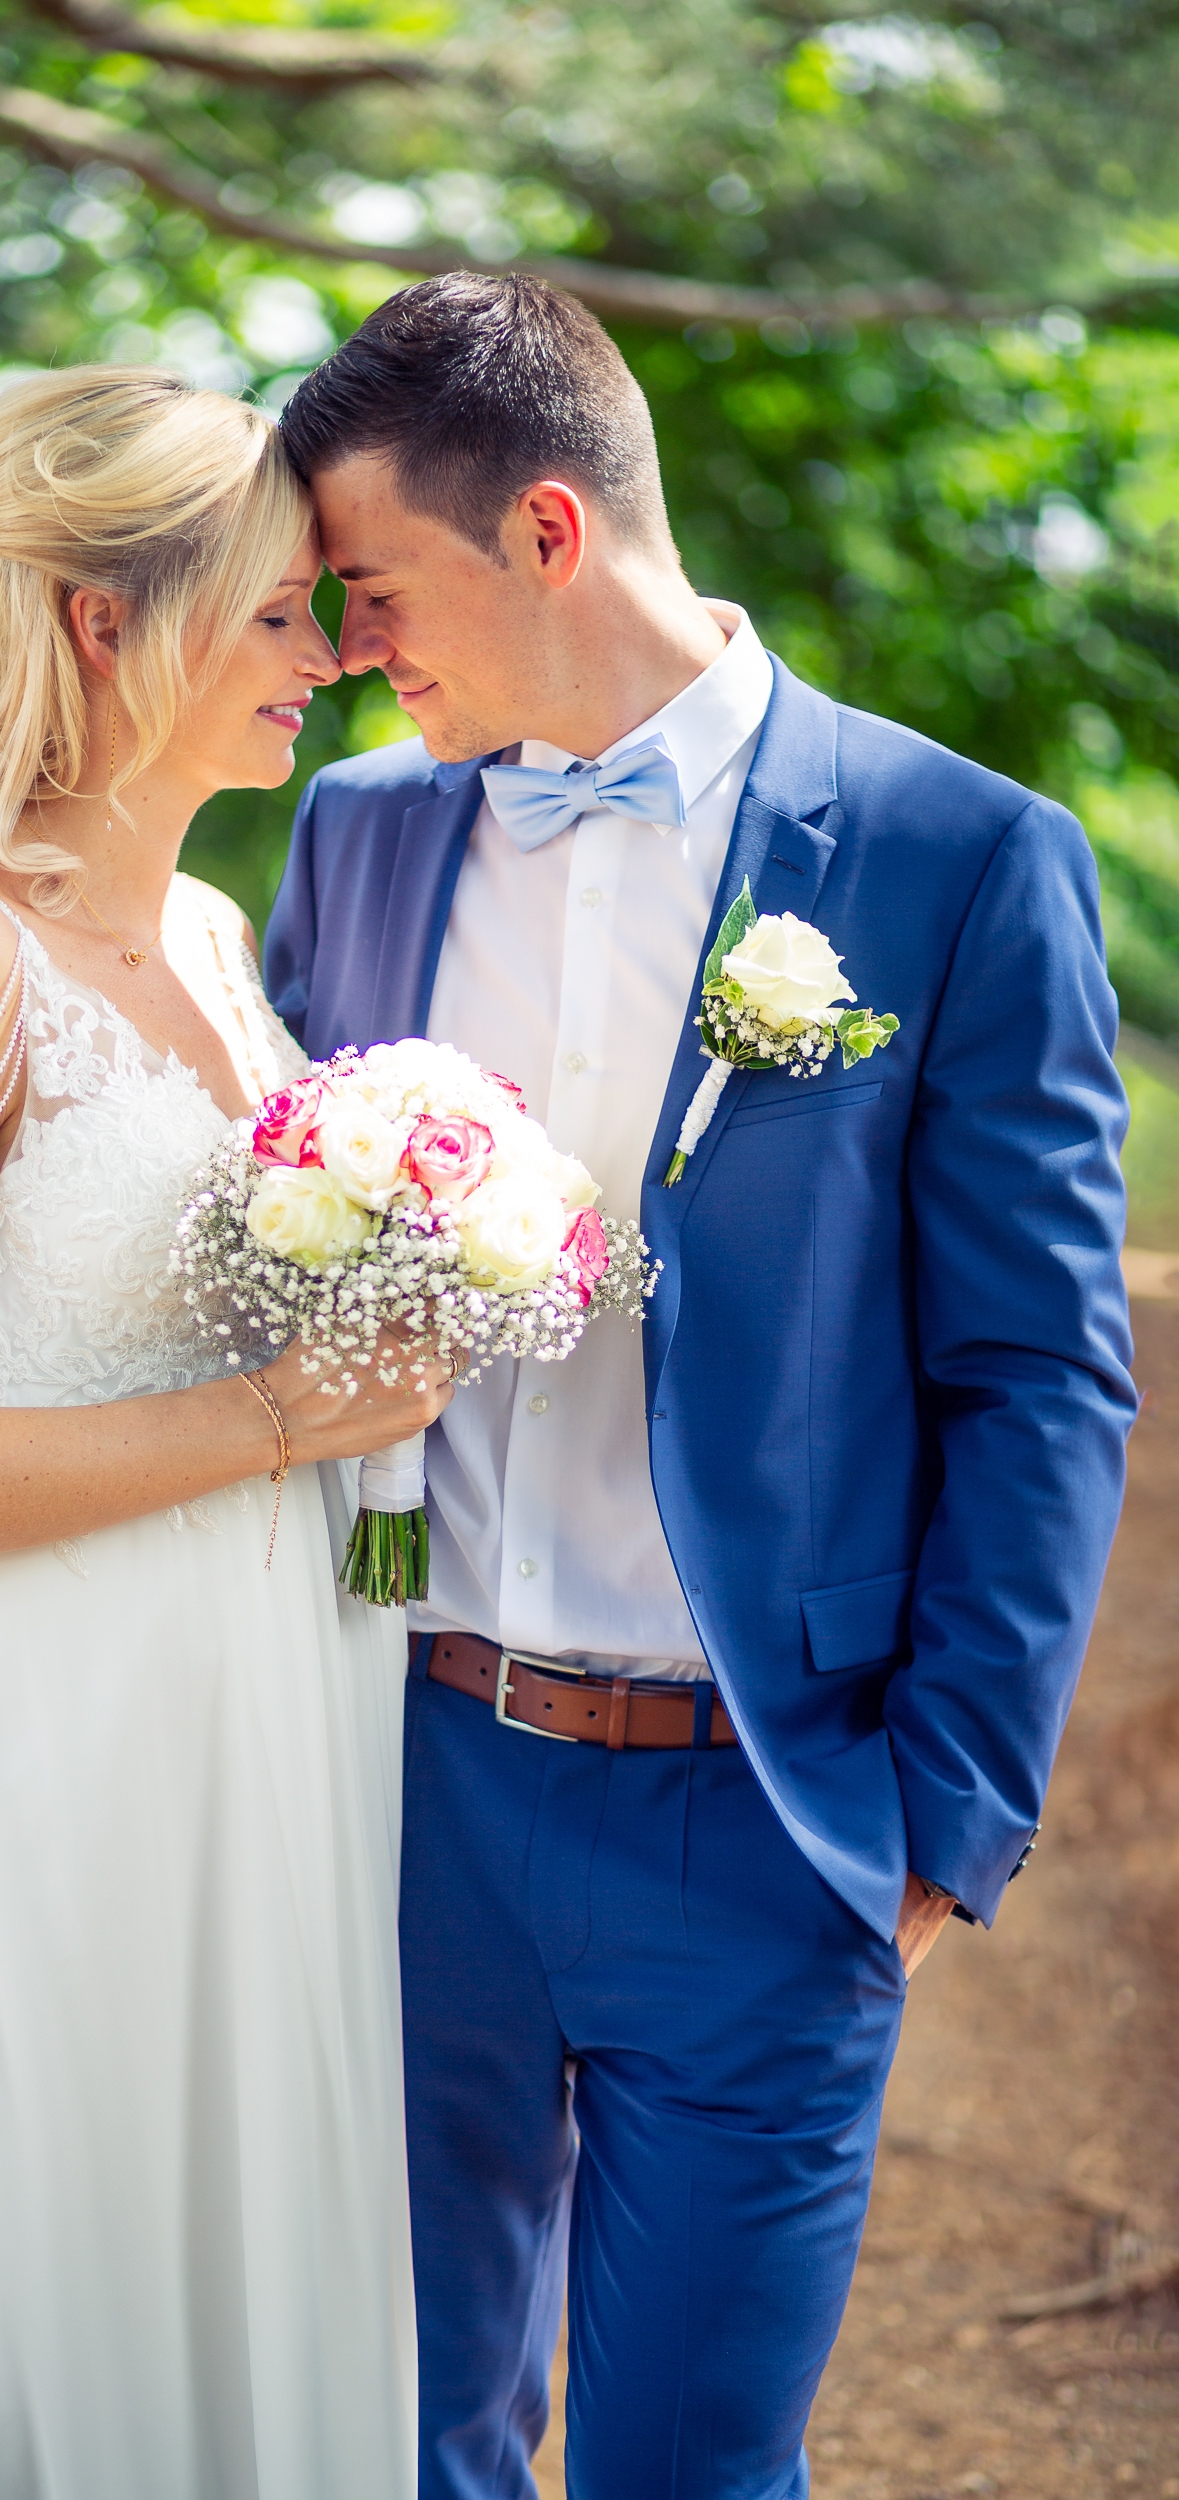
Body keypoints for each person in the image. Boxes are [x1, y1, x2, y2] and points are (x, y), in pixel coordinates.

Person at [268, 273, 1137, 2500]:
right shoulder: (357, 833)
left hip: (765, 1821)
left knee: (688, 2466)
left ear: (546, 533)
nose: (352, 643)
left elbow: (1039, 1368)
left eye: (373, 586)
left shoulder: (959, 859)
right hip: (403, 1780)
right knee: (397, 2442)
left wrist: (943, 1813)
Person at [0, 369, 447, 2500]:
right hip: (47, 1754)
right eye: (269, 616)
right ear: (100, 628)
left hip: (272, 1730)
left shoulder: (227, 948)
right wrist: (264, 1414)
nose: (321, 665)